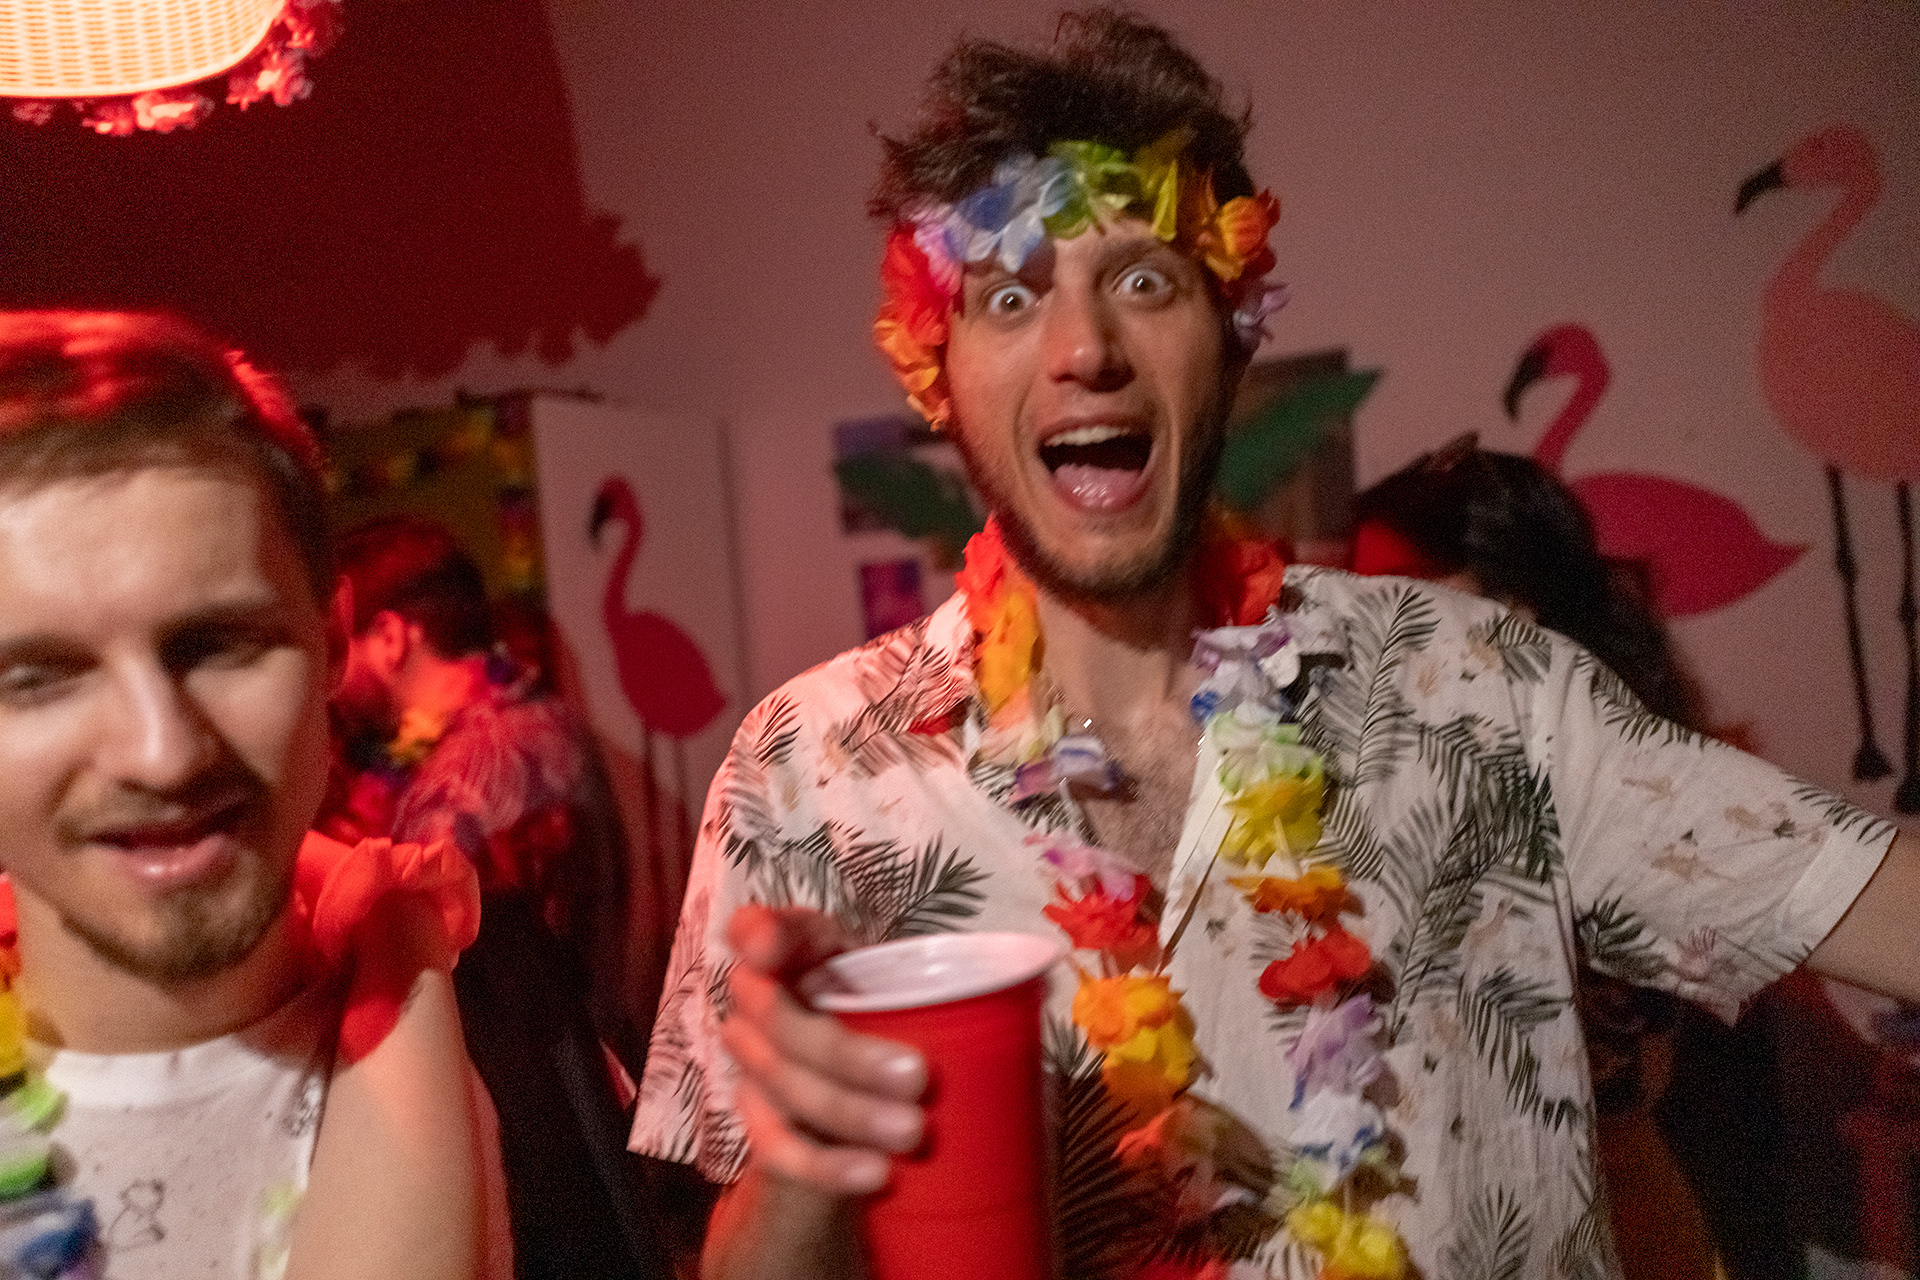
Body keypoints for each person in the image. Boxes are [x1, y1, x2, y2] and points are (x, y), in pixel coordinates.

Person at [631, 12, 1916, 1279]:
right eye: (1011, 294)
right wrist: (804, 1157)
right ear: (939, 370)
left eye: (1145, 279)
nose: (1086, 349)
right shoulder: (811, 774)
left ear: (1232, 332)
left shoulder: (1478, 688)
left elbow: (1872, 900)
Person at [0, 310, 510, 1279]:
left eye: (220, 645)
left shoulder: (524, 1056)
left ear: (336, 642)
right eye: (38, 677)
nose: (161, 754)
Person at [1350, 438, 1791, 1280]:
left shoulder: (1633, 806)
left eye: (1400, 598)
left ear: (1517, 619)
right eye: (1354, 599)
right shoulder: (1379, 797)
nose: (1364, 635)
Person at [324, 514, 667, 1279]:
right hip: (602, 1100)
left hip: (547, 1130)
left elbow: (442, 997)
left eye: (339, 648)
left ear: (392, 637)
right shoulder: (546, 723)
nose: (331, 681)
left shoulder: (458, 785)